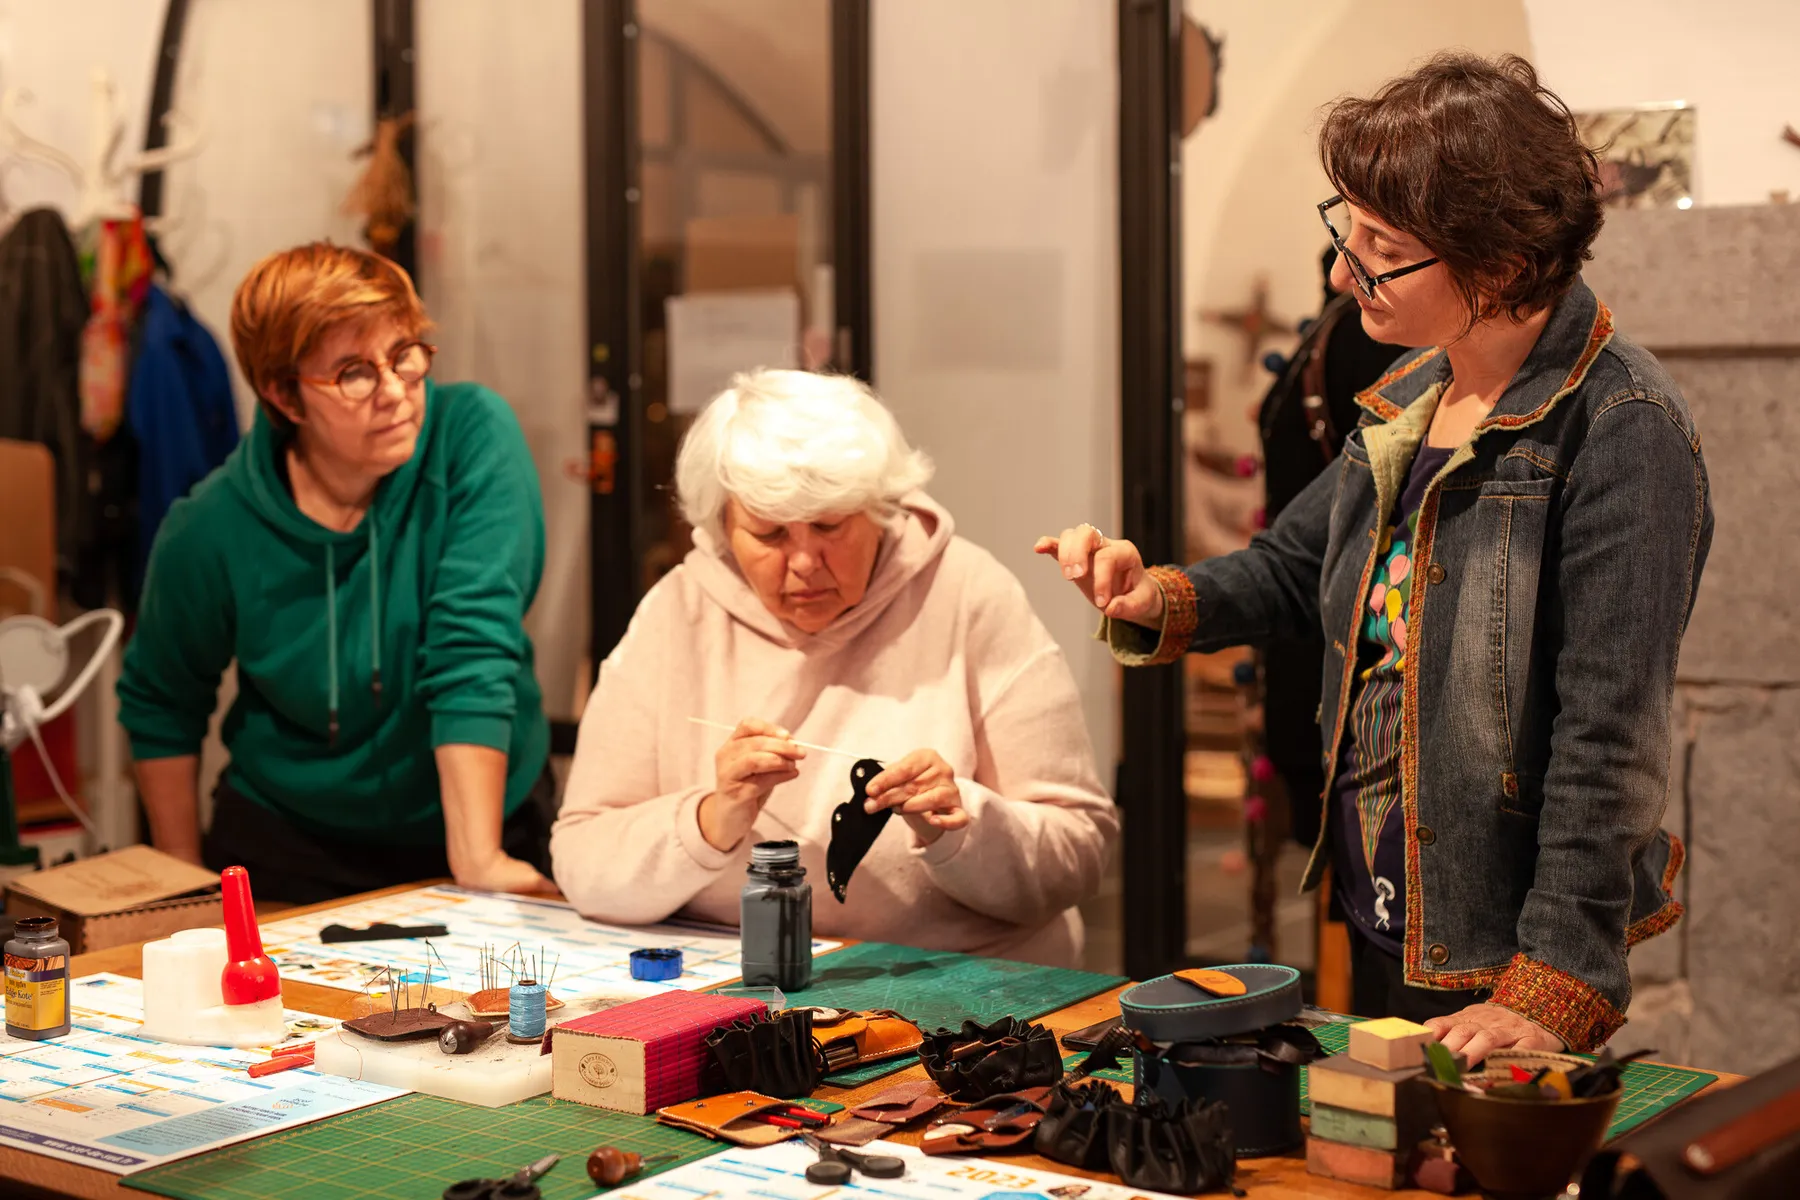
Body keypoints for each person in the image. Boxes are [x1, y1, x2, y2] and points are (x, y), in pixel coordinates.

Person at [1040, 53, 1711, 1060]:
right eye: (1345, 231)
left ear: (1497, 264)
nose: (1338, 273)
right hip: (1387, 893)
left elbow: (1609, 736)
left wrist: (1557, 978)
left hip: (1507, 945)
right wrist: (1153, 596)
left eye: (1379, 248)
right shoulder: (1414, 392)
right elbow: (1285, 570)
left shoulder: (1623, 428)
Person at [552, 369, 1117, 966]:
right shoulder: (677, 613)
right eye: (768, 534)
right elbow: (583, 863)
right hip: (725, 987)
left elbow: (1078, 858)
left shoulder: (968, 596)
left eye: (829, 526)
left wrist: (963, 825)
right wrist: (709, 819)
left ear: (880, 509)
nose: (803, 563)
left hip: (962, 990)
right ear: (721, 526)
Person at [118, 243, 555, 904]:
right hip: (290, 845)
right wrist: (182, 884)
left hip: (476, 829)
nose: (395, 394)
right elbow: (161, 700)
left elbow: (473, 647)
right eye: (354, 373)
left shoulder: (471, 436)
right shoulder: (212, 524)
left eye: (405, 354)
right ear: (285, 394)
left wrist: (480, 858)